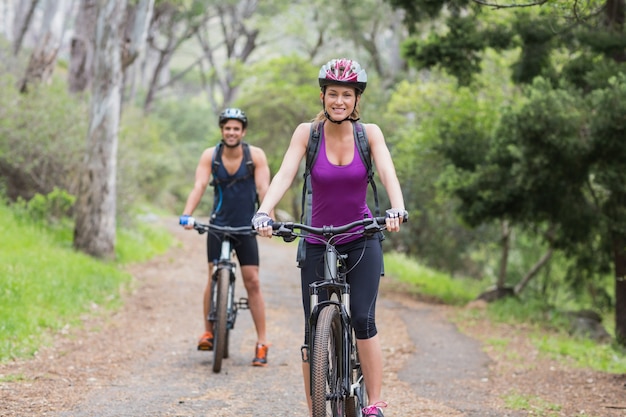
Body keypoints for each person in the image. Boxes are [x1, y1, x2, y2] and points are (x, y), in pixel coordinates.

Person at [252, 59, 407, 417]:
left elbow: (387, 172)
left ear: (356, 100)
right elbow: (284, 174)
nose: (339, 100)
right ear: (322, 96)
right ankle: (315, 408)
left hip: (361, 237)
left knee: (364, 319)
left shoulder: (370, 134)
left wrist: (397, 208)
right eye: (333, 93)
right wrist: (265, 210)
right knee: (312, 330)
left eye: (347, 95)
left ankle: (375, 402)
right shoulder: (308, 133)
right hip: (317, 239)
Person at [180, 108, 271, 366]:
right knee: (213, 274)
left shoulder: (255, 156)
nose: (232, 132)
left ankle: (262, 342)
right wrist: (187, 214)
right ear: (222, 130)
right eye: (227, 128)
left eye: (236, 128)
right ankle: (209, 331)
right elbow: (199, 186)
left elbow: (264, 189)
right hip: (218, 226)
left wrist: (268, 218)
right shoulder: (211, 156)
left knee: (252, 281)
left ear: (243, 131)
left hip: (245, 227)